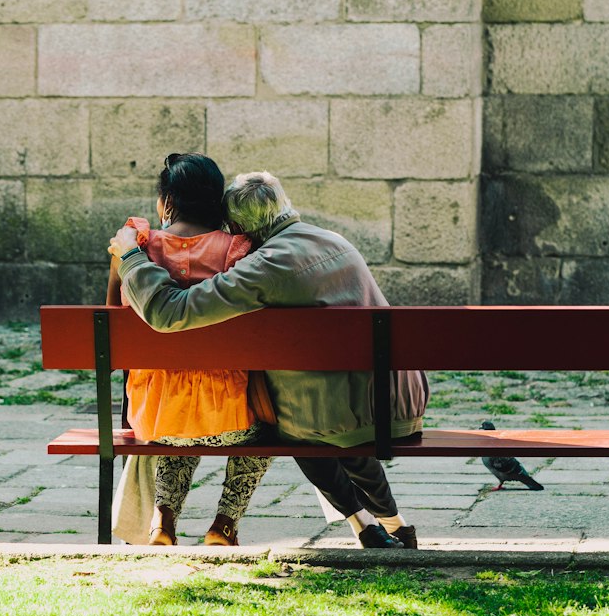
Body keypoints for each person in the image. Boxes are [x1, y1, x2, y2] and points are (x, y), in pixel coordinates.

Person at [109, 171, 425, 550]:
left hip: (342, 416)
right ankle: (388, 525)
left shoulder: (266, 265)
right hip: (399, 402)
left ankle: (369, 523)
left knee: (298, 430)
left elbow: (169, 312)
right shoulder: (333, 239)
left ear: (239, 225)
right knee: (312, 423)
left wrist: (129, 255)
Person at [107, 154, 269, 548]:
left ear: (166, 201)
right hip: (229, 418)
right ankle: (225, 523)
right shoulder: (240, 251)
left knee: (179, 413)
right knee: (265, 430)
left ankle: (163, 520)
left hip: (153, 418)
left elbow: (111, 321)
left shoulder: (135, 247)